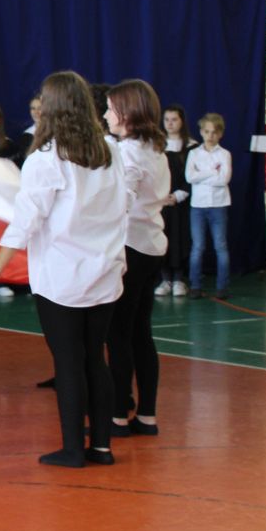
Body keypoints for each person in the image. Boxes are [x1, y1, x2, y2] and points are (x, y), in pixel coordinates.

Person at [0, 71, 127, 468]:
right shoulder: (111, 152)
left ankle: (74, 448)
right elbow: (121, 208)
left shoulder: (46, 159)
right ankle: (102, 446)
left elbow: (27, 220)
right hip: (104, 270)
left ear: (51, 109)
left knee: (69, 362)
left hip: (63, 277)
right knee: (95, 358)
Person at [104, 79, 171, 439]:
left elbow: (122, 200)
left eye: (110, 109)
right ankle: (146, 415)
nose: (105, 115)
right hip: (151, 246)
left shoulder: (127, 152)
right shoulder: (155, 149)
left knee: (118, 333)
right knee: (140, 333)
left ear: (127, 114)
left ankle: (116, 415)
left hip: (131, 248)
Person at [186, 113, 232, 300]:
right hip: (197, 206)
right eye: (206, 131)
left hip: (219, 205)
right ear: (201, 132)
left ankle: (222, 287)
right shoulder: (194, 153)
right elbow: (190, 177)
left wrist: (201, 175)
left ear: (220, 134)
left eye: (214, 132)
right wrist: (212, 171)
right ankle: (195, 286)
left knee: (220, 246)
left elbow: (223, 180)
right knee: (198, 247)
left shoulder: (225, 154)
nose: (210, 136)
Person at [156, 104, 196, 297]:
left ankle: (179, 279)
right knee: (162, 237)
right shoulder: (157, 145)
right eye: (167, 120)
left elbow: (193, 176)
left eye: (174, 120)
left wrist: (178, 195)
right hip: (160, 201)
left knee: (180, 238)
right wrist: (160, 195)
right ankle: (165, 279)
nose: (170, 124)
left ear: (182, 122)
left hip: (181, 202)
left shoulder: (192, 147)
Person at [14, 94, 42, 166]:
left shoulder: (55, 133)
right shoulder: (27, 135)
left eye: (40, 108)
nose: (36, 112)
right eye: (33, 108)